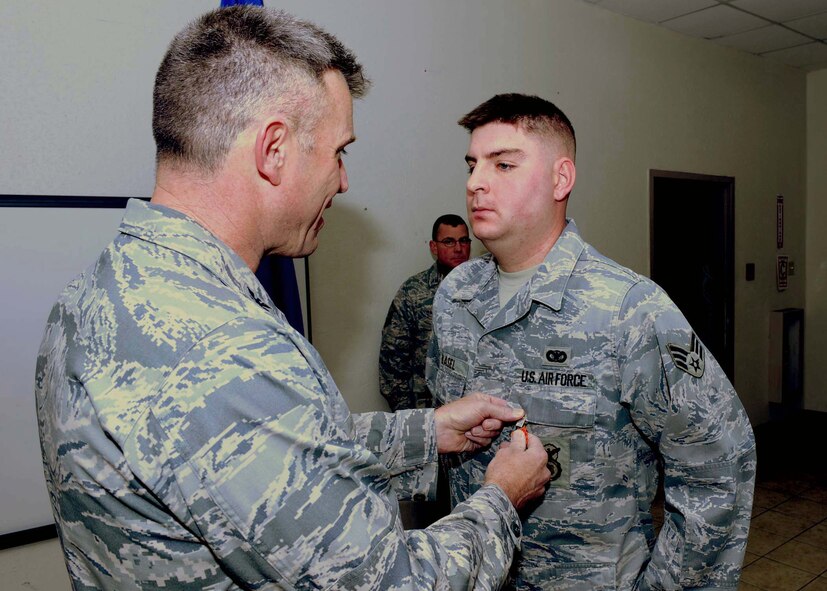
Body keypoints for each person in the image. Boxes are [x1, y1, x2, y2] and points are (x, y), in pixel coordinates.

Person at [35, 12, 551, 591]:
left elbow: (261, 452)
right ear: (274, 149)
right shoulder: (223, 349)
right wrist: (502, 498)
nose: (344, 180)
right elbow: (396, 583)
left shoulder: (102, 290)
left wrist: (427, 433)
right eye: (339, 152)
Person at [426, 93, 756, 590]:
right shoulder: (456, 294)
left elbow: (719, 464)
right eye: (473, 165)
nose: (475, 183)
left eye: (504, 164)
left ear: (561, 178)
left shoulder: (627, 308)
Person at [379, 214, 471, 412]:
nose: (458, 248)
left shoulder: (487, 289)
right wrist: (408, 416)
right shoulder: (413, 292)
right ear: (433, 247)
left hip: (475, 409)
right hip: (427, 411)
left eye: (463, 241)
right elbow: (392, 361)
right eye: (449, 241)